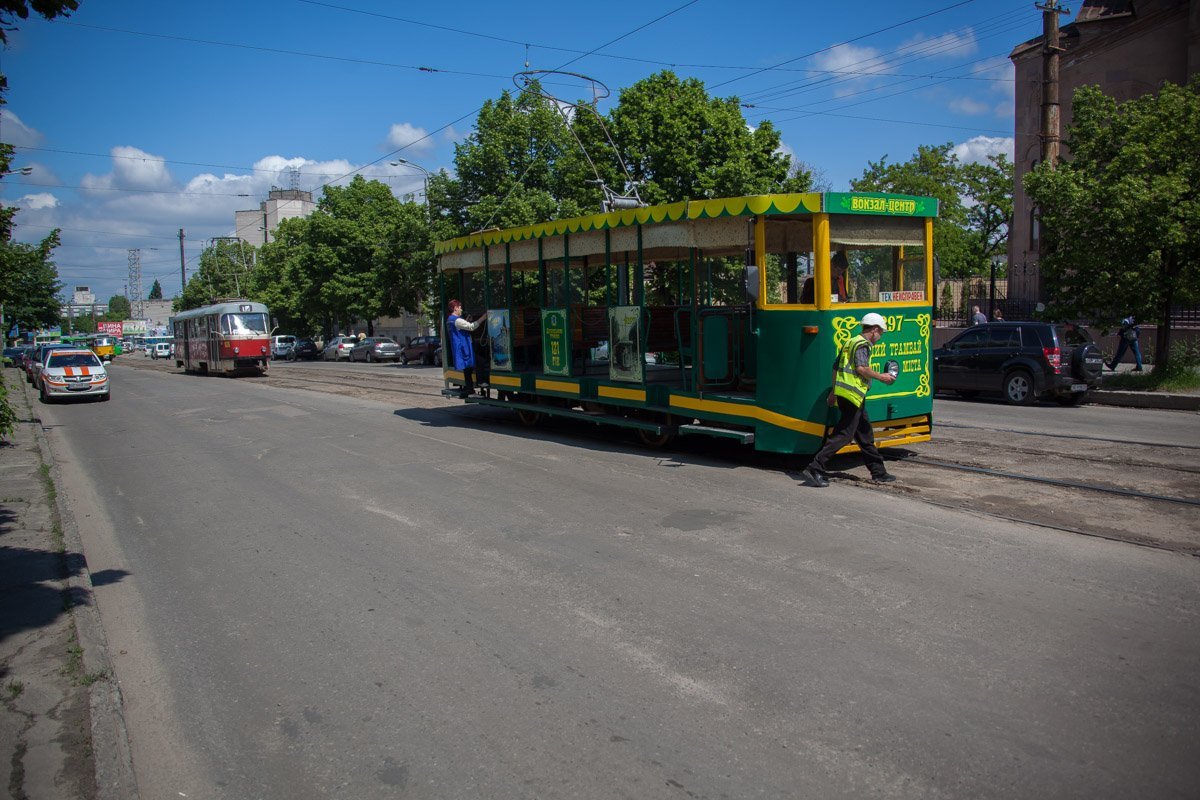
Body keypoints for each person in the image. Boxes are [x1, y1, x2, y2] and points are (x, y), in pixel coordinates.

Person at [801, 312, 898, 487]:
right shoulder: (862, 345)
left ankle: (878, 472)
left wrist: (834, 392)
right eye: (881, 333)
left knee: (865, 434)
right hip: (852, 395)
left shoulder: (850, 342)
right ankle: (815, 467)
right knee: (844, 435)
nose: (880, 337)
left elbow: (835, 367)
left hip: (848, 394)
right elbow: (862, 368)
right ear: (874, 330)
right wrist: (881, 377)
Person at [447, 299, 487, 396]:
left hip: (460, 347)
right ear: (455, 308)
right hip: (464, 347)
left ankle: (470, 390)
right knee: (479, 361)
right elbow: (471, 327)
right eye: (460, 307)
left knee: (468, 369)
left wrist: (466, 321)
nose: (461, 309)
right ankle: (480, 382)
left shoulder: (450, 320)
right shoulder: (456, 320)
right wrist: (484, 317)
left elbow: (460, 327)